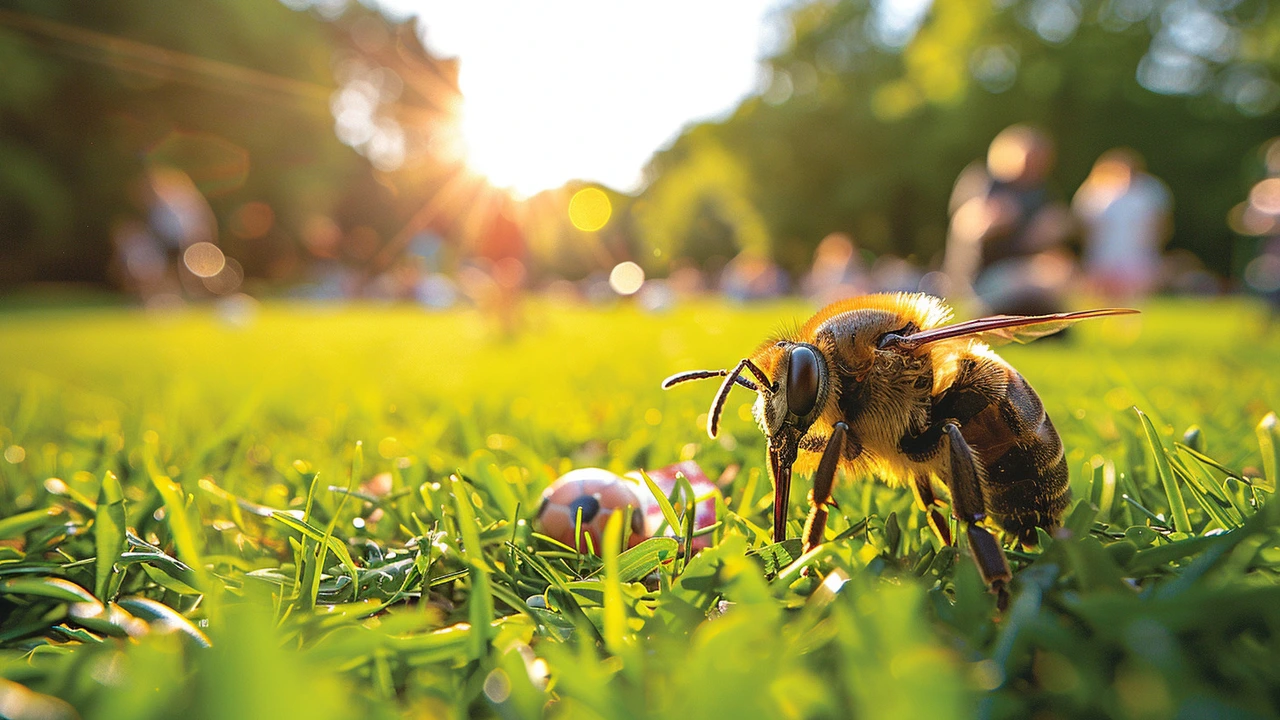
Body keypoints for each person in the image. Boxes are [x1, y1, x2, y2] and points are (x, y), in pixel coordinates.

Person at [944, 125, 1075, 315]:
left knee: (1059, 271)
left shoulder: (1041, 191)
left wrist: (1055, 230)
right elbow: (967, 226)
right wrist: (993, 220)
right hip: (980, 279)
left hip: (1023, 271)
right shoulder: (983, 182)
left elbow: (1055, 230)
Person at [1072, 148, 1173, 303]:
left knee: (1134, 296)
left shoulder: (1150, 190)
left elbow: (1162, 225)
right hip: (1103, 253)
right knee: (1102, 297)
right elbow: (1083, 226)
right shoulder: (1094, 191)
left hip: (1138, 254)